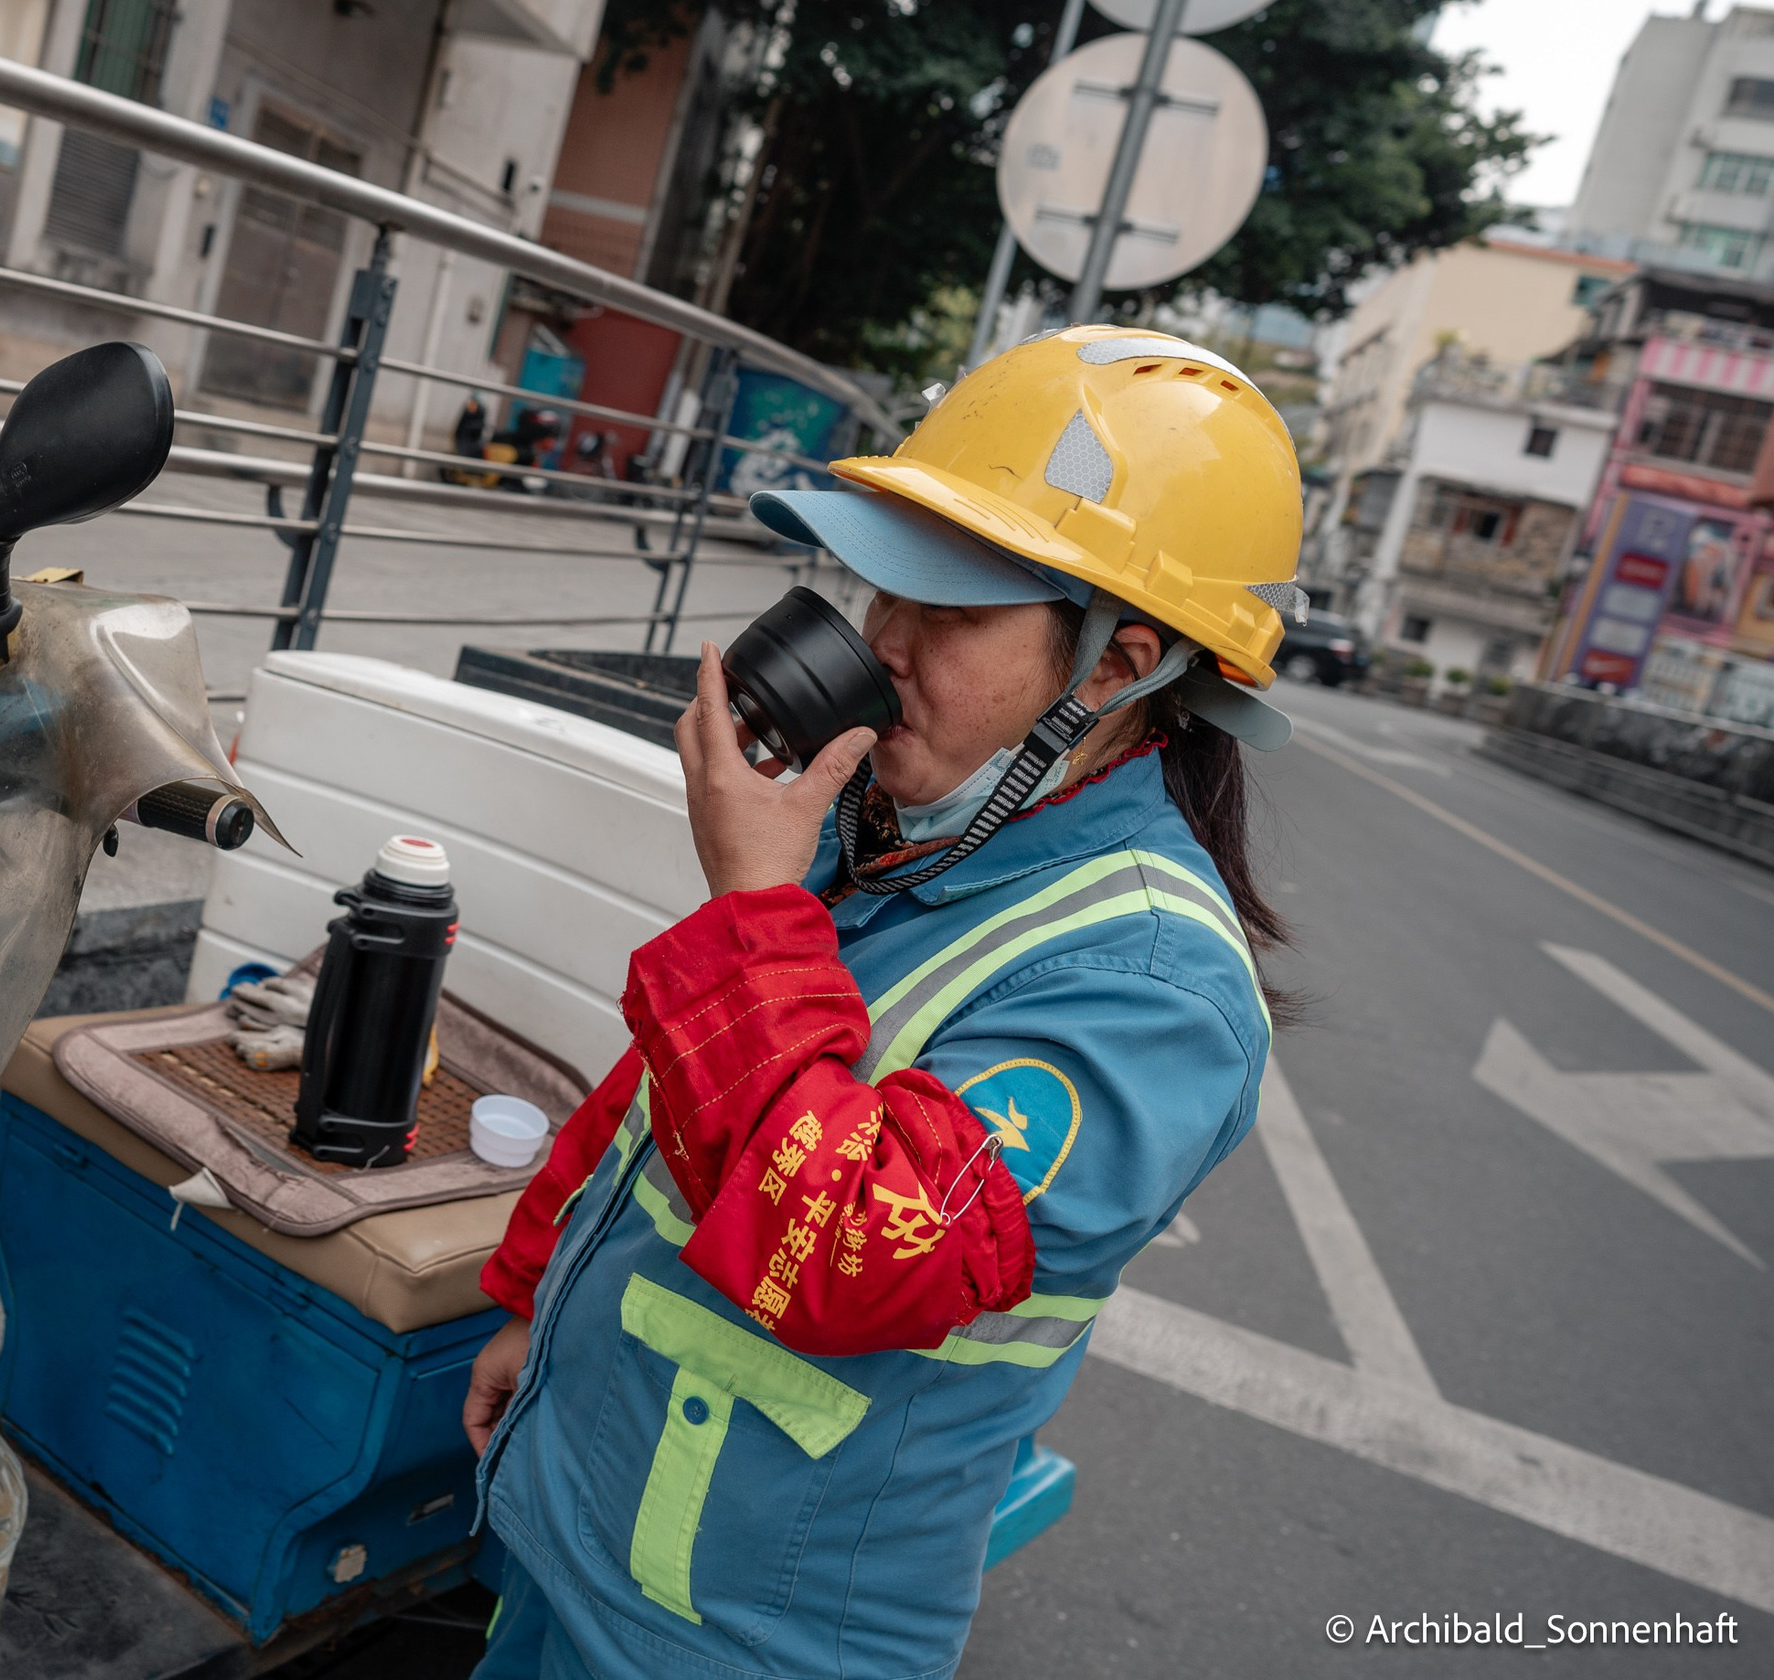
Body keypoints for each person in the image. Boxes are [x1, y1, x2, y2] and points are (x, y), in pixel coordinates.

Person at [461, 324, 1305, 1679]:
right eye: (882, 594)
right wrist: (529, 1301)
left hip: (740, 1636)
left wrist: (751, 910)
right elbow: (659, 1096)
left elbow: (846, 1249)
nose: (887, 644)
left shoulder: (1152, 986)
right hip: (574, 1518)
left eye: (952, 613)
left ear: (1112, 664)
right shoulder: (900, 825)